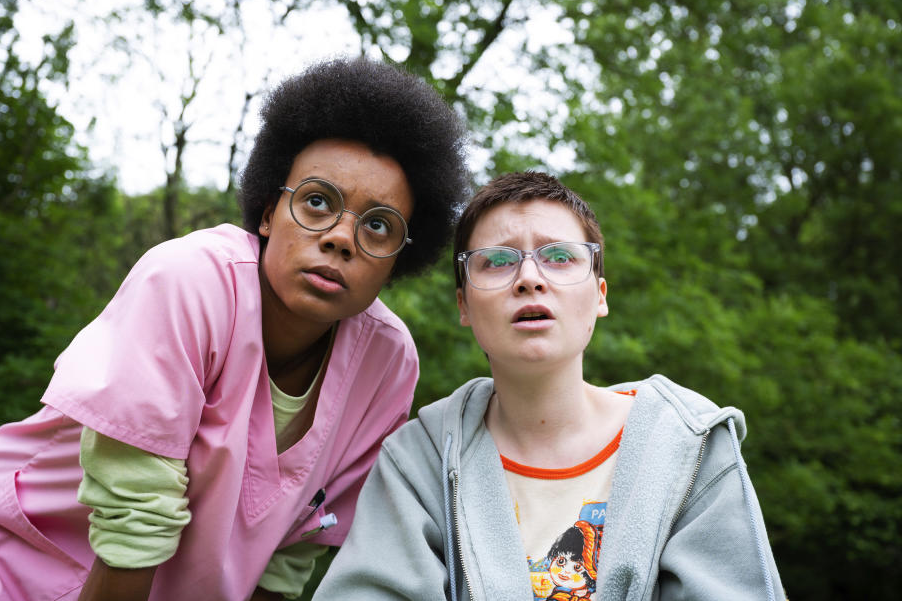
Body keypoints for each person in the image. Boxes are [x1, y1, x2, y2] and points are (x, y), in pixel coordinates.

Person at [0, 57, 468, 601]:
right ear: (268, 213)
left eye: (378, 225)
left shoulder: (387, 362)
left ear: (398, 256)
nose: (339, 238)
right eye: (316, 201)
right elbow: (133, 530)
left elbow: (292, 552)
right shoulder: (190, 281)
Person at [313, 171, 786, 600]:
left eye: (559, 257)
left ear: (600, 295)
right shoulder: (418, 463)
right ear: (463, 305)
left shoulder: (692, 446)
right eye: (496, 261)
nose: (529, 279)